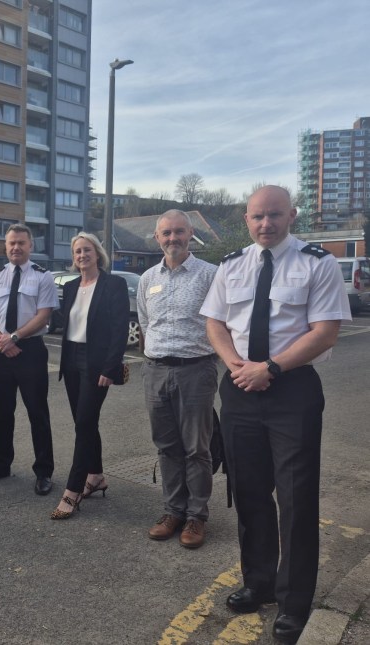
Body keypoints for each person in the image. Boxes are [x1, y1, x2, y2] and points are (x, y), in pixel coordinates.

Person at [200, 185, 351, 644]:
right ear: (246, 219)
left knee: (296, 499)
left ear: (292, 215)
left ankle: (294, 601)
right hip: (240, 389)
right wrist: (235, 365)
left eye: (275, 215)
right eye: (257, 216)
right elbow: (215, 322)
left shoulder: (317, 263)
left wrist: (271, 368)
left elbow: (325, 332)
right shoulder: (231, 265)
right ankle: (259, 583)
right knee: (249, 493)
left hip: (292, 391)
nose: (266, 223)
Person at [136, 211, 218, 547]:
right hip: (155, 370)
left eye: (179, 232)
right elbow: (145, 323)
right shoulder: (147, 279)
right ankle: (173, 511)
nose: (173, 238)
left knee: (197, 448)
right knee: (167, 447)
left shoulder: (210, 275)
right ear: (157, 237)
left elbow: (222, 323)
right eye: (166, 233)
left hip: (196, 370)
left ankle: (196, 516)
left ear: (190, 234)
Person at [50, 233, 129, 519]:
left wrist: (110, 367)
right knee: (84, 422)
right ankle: (95, 476)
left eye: (87, 250)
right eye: (77, 251)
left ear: (97, 253)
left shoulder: (113, 284)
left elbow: (120, 329)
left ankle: (73, 490)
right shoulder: (71, 286)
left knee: (84, 423)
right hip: (71, 359)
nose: (82, 255)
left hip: (97, 364)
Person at [0, 224, 57, 495]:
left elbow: (44, 315)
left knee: (37, 412)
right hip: (0, 350)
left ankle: (44, 471)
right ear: (6, 246)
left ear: (30, 246)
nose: (16, 247)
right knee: (1, 412)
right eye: (11, 243)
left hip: (30, 351)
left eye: (21, 243)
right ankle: (1, 464)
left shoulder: (43, 276)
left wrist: (15, 337)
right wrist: (1, 339)